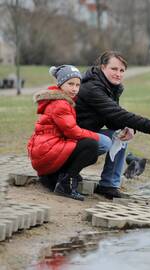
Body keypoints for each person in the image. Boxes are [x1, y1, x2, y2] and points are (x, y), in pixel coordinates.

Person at [76, 51, 150, 199]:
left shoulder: (110, 86)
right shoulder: (92, 88)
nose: (118, 74)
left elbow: (112, 117)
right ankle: (66, 173)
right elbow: (117, 113)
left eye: (122, 70)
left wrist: (125, 127)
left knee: (120, 136)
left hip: (86, 133)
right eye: (114, 69)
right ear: (103, 67)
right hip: (72, 137)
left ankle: (109, 185)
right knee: (105, 142)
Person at [27, 65, 101, 201]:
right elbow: (73, 132)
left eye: (78, 85)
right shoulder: (61, 103)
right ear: (60, 84)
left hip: (44, 153)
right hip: (46, 154)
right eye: (70, 84)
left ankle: (57, 177)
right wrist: (97, 136)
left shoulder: (61, 100)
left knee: (88, 145)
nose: (74, 88)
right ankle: (65, 184)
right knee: (91, 146)